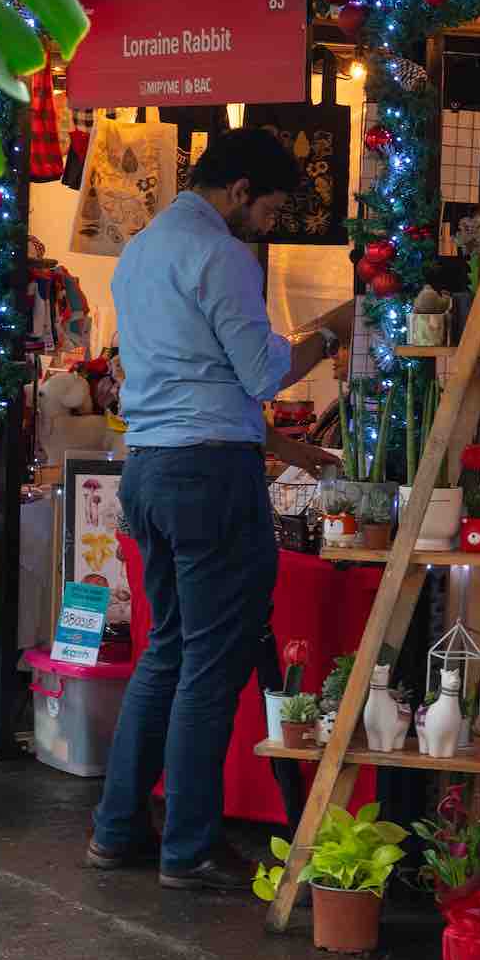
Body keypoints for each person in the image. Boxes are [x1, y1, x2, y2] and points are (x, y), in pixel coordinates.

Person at [88, 130, 352, 888]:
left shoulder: (141, 251)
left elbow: (187, 375)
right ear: (238, 191)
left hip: (151, 469)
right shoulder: (223, 256)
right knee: (209, 660)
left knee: (166, 649)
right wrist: (332, 331)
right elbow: (263, 369)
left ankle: (117, 829)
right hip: (209, 478)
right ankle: (190, 847)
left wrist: (285, 448)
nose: (268, 224)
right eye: (268, 207)